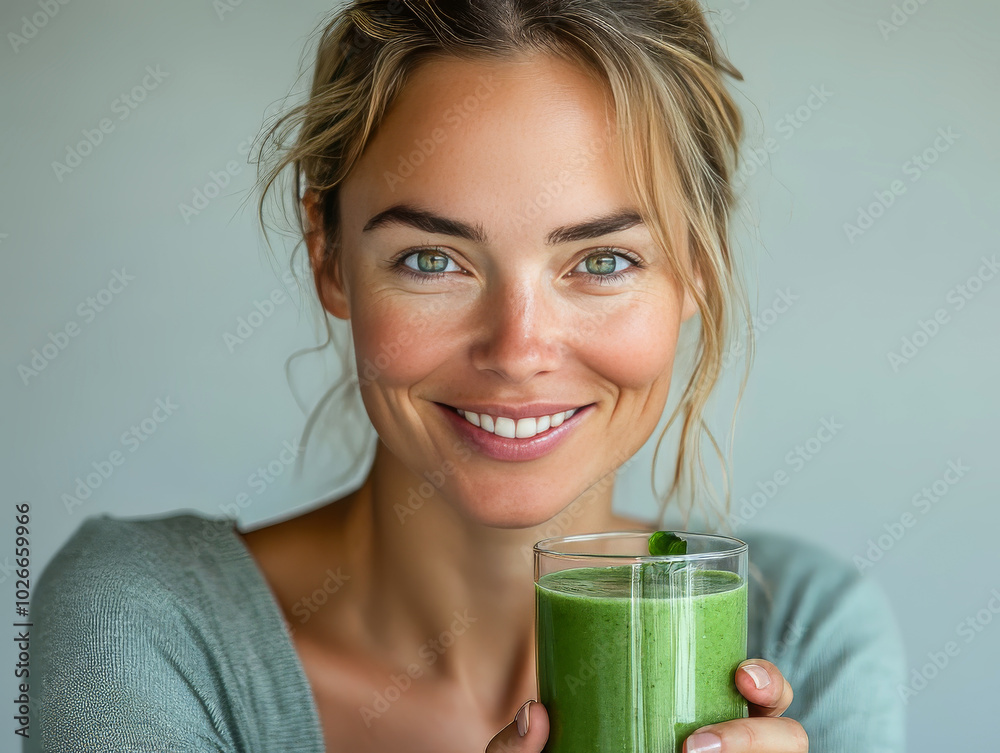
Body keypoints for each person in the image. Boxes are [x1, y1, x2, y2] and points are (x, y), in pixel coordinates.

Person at [27, 1, 907, 752]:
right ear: (328, 255)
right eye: (431, 260)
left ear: (698, 269)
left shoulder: (809, 633)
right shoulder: (141, 626)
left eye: (602, 261)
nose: (517, 349)